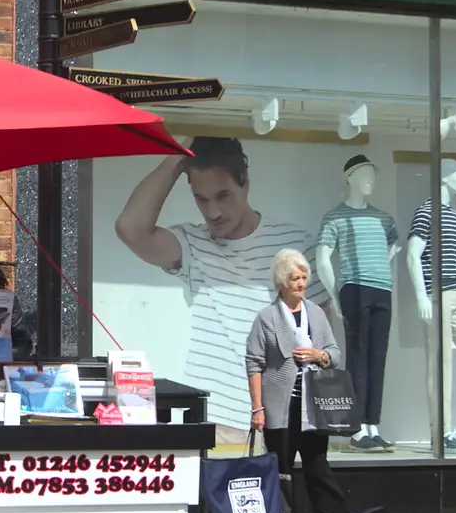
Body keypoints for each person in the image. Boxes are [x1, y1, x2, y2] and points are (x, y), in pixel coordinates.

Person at [116, 137, 323, 443]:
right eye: (202, 199)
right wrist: (178, 156)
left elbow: (320, 336)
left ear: (246, 183)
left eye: (223, 196)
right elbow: (130, 228)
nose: (213, 211)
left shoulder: (295, 243)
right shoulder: (192, 242)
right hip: (219, 424)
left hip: (286, 424)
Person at [243, 249, 353, 513]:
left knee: (319, 470)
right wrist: (257, 408)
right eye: (295, 278)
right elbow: (254, 363)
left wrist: (321, 356)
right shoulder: (267, 317)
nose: (301, 283)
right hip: (281, 408)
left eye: (304, 277)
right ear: (281, 280)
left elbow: (334, 351)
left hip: (313, 407)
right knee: (280, 473)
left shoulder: (315, 313)